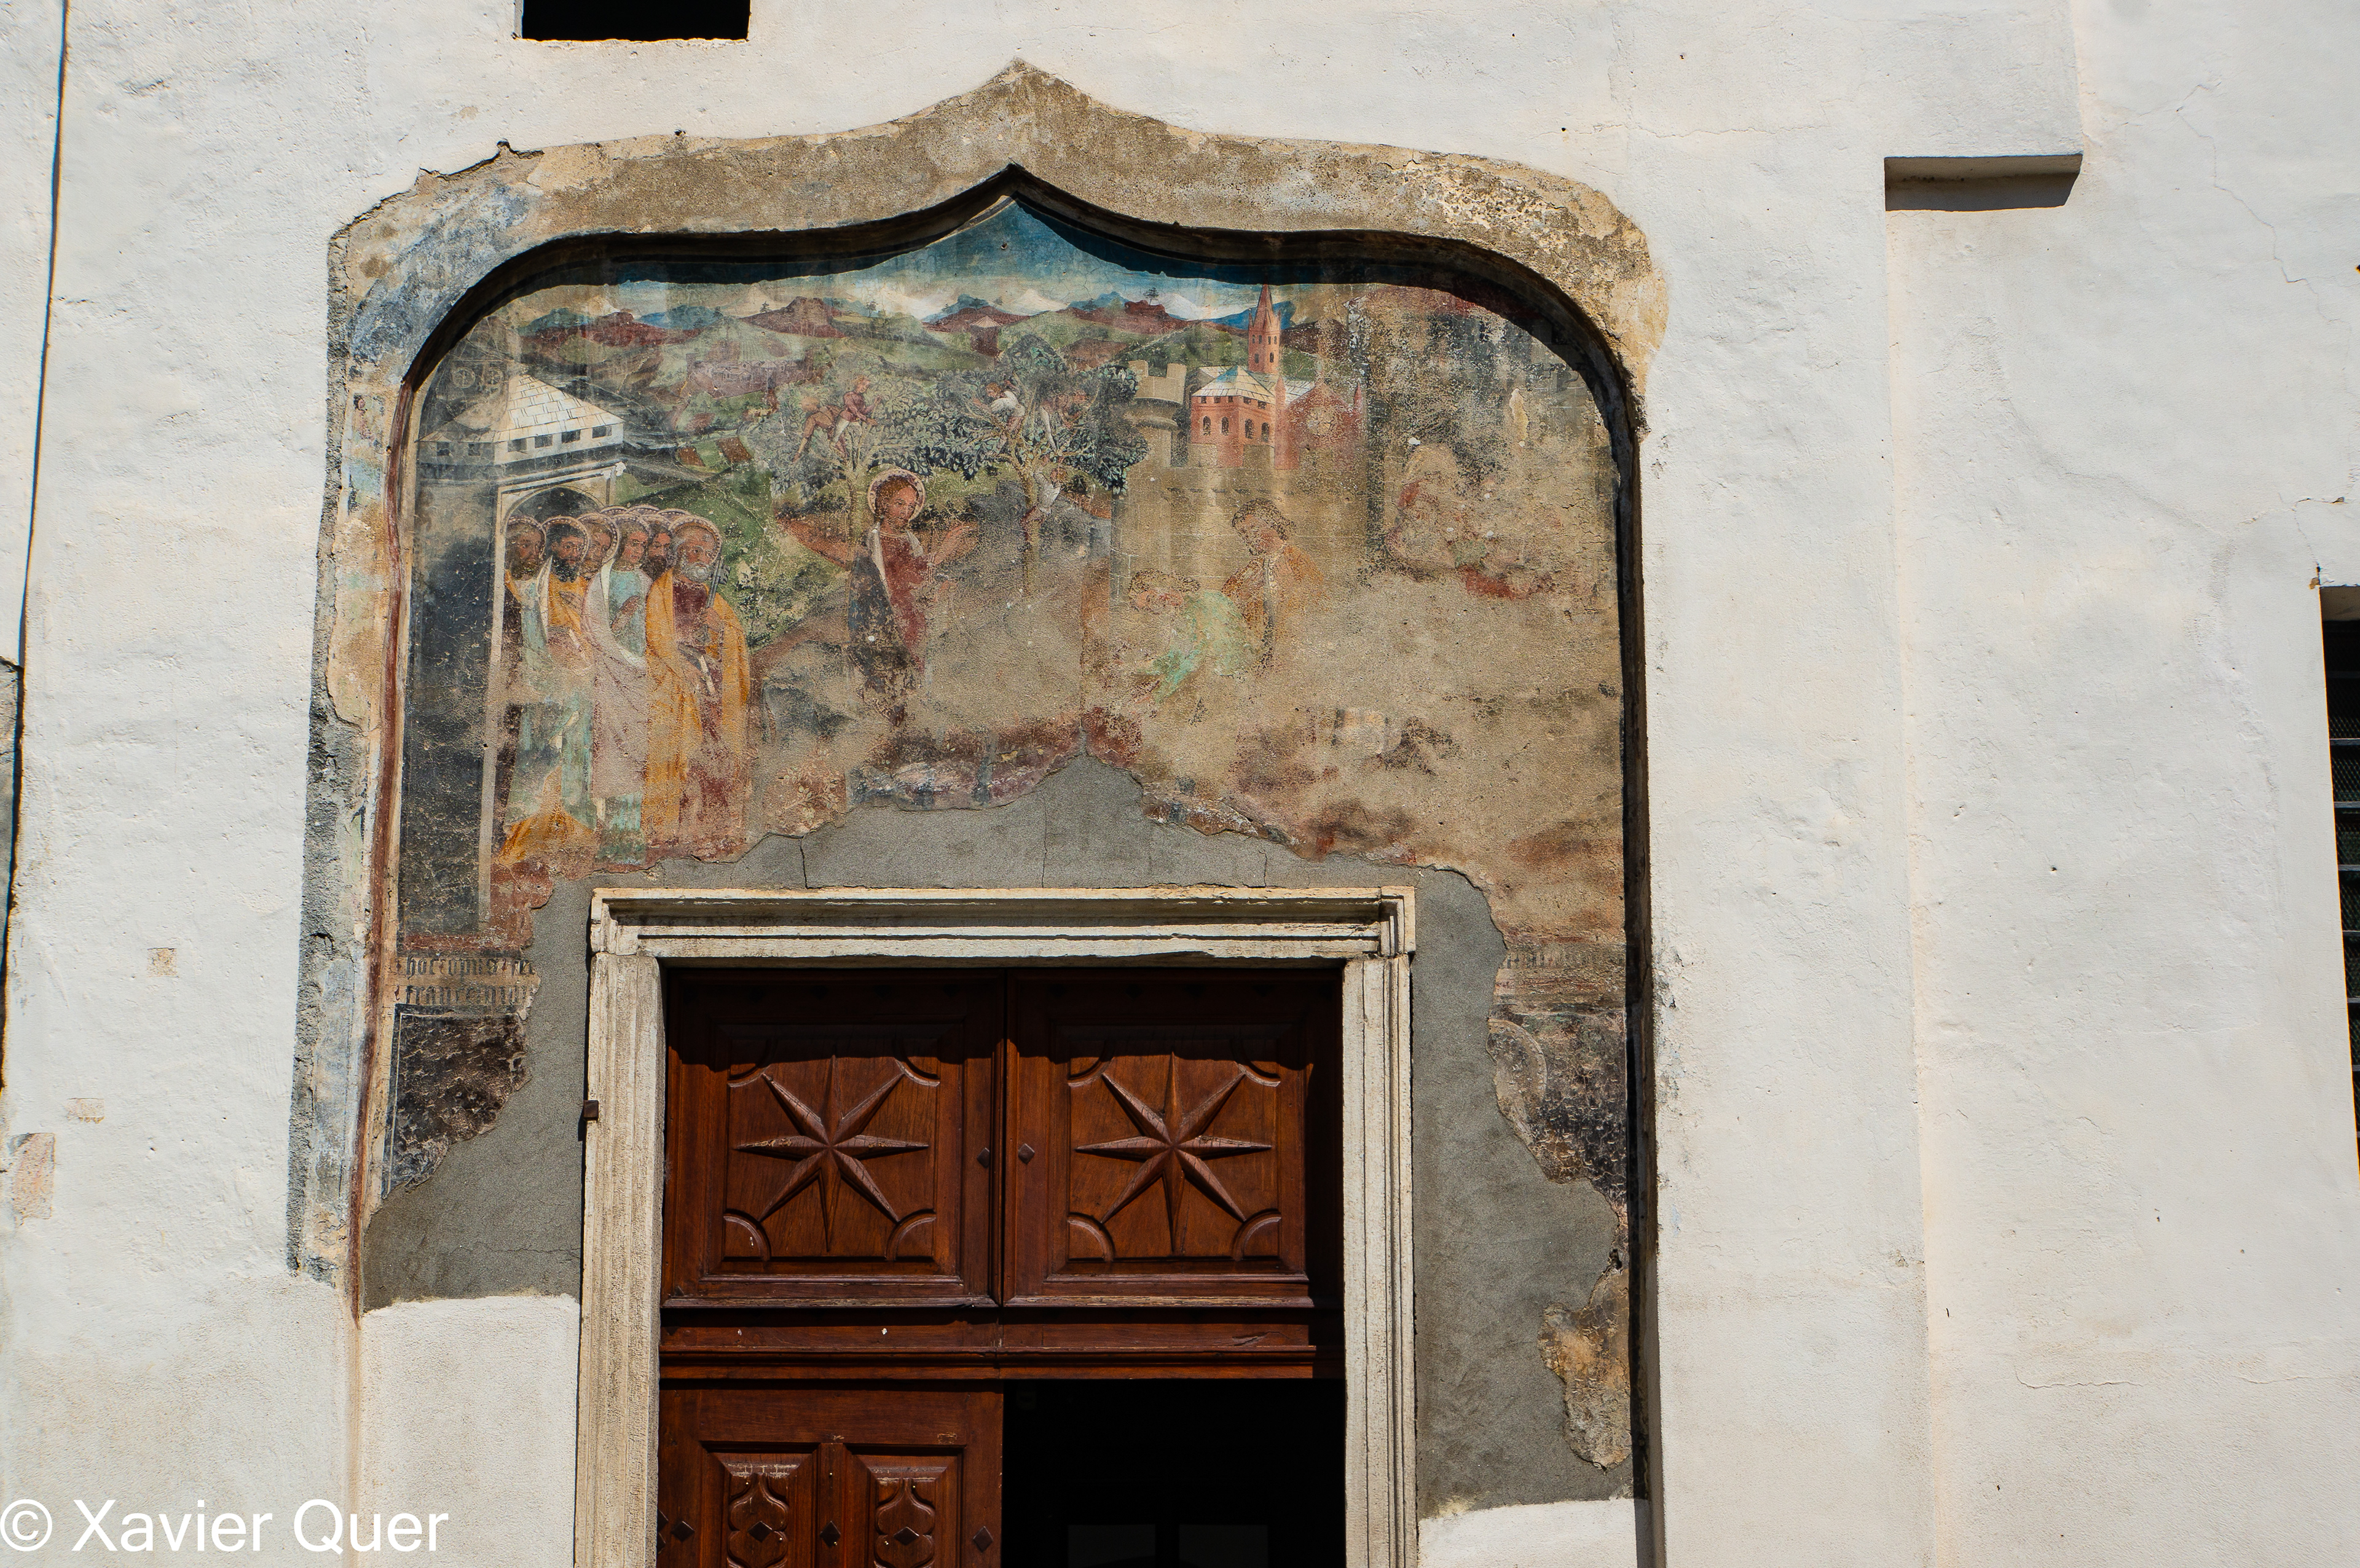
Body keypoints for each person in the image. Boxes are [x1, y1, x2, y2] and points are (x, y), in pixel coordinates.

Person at [782, 469, 976, 713]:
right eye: (900, 503)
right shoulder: (872, 541)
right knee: (886, 690)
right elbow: (899, 578)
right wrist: (940, 556)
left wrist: (938, 591)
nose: (906, 511)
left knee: (911, 689)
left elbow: (917, 587)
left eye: (911, 506)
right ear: (884, 504)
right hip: (882, 625)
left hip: (911, 623)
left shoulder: (911, 540)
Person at [643, 514, 750, 858]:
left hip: (710, 689)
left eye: (706, 552)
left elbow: (734, 645)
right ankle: (669, 832)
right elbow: (657, 637)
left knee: (714, 758)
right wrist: (680, 666)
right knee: (679, 756)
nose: (700, 557)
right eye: (692, 550)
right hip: (672, 687)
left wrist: (720, 629)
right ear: (677, 552)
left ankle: (713, 829)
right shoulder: (660, 590)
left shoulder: (714, 599)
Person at [1221, 500, 1324, 665]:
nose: (1249, 537)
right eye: (1244, 533)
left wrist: (1292, 588)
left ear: (1273, 525)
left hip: (1291, 651)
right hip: (1258, 653)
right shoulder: (1248, 570)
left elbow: (1320, 606)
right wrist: (1242, 595)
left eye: (1254, 529)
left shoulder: (1297, 559)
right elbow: (1221, 609)